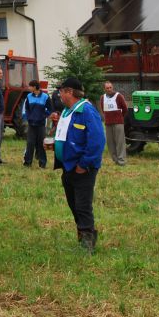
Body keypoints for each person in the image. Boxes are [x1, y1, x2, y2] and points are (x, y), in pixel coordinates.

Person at [53, 77, 105, 253]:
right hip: (68, 166)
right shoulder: (68, 111)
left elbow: (97, 141)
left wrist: (84, 164)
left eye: (61, 91)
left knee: (82, 205)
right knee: (73, 203)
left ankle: (87, 241)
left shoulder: (86, 111)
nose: (59, 94)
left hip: (82, 168)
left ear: (69, 92)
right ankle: (85, 233)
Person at [22, 79, 52, 168]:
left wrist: (42, 116)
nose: (29, 88)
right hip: (31, 124)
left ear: (34, 87)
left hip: (41, 125)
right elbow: (26, 109)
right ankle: (27, 163)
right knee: (30, 143)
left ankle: (42, 163)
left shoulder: (45, 97)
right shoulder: (28, 96)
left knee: (41, 144)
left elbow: (50, 109)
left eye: (30, 86)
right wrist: (29, 117)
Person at [99, 81, 128, 166]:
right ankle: (115, 160)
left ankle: (121, 160)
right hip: (108, 123)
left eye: (110, 87)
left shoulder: (118, 96)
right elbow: (103, 109)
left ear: (113, 87)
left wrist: (119, 117)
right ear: (104, 89)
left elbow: (125, 108)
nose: (109, 89)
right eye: (107, 88)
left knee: (120, 142)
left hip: (118, 122)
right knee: (110, 142)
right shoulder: (102, 98)